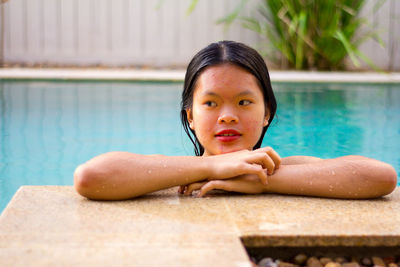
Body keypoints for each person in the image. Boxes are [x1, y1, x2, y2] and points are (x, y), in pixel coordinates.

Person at [74, 40, 397, 200]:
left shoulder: (286, 168)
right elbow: (91, 177)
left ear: (267, 111)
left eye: (244, 102)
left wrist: (260, 180)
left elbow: (380, 177)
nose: (227, 116)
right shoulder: (171, 171)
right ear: (190, 116)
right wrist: (211, 167)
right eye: (211, 103)